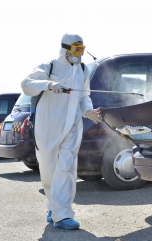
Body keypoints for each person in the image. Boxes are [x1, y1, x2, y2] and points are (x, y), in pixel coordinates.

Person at [21, 33, 102, 230]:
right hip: (48, 125)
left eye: (82, 50)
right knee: (49, 169)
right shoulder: (49, 66)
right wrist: (48, 85)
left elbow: (84, 96)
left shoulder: (83, 70)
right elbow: (26, 84)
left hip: (72, 126)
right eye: (75, 50)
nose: (79, 55)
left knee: (66, 168)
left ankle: (63, 214)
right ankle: (52, 206)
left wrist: (88, 111)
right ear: (65, 49)